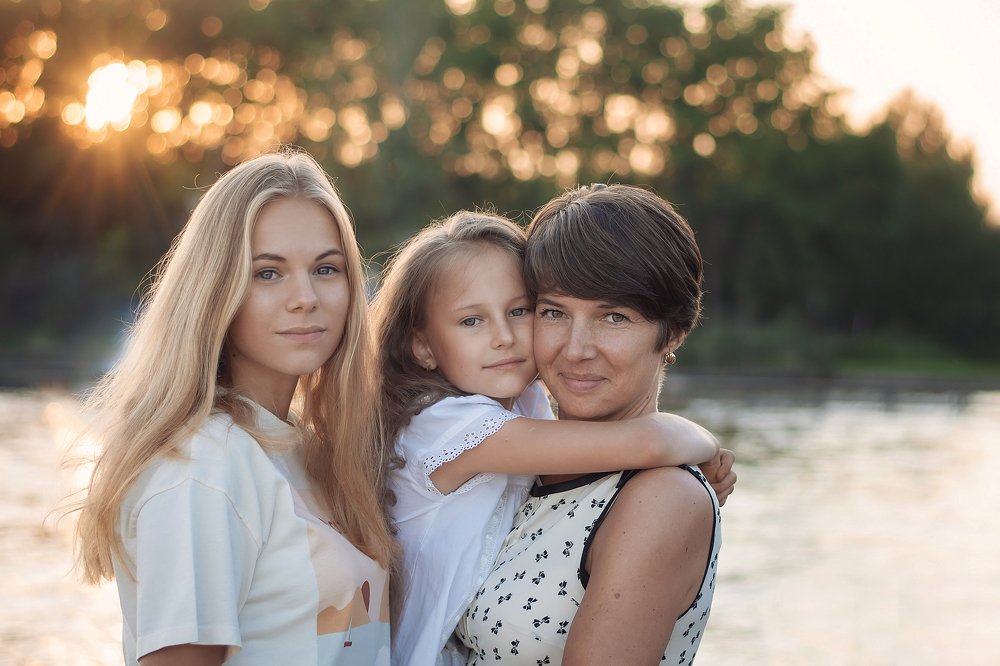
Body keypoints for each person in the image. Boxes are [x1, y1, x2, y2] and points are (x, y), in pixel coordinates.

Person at [73, 150, 396, 665]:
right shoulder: (203, 467)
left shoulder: (304, 449)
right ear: (215, 289)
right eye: (268, 273)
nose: (305, 297)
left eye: (326, 268)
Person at [370, 210, 732, 666]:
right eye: (554, 313)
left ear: (674, 331)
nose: (576, 349)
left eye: (614, 317)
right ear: (422, 345)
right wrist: (703, 441)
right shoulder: (464, 425)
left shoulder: (661, 495)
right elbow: (650, 443)